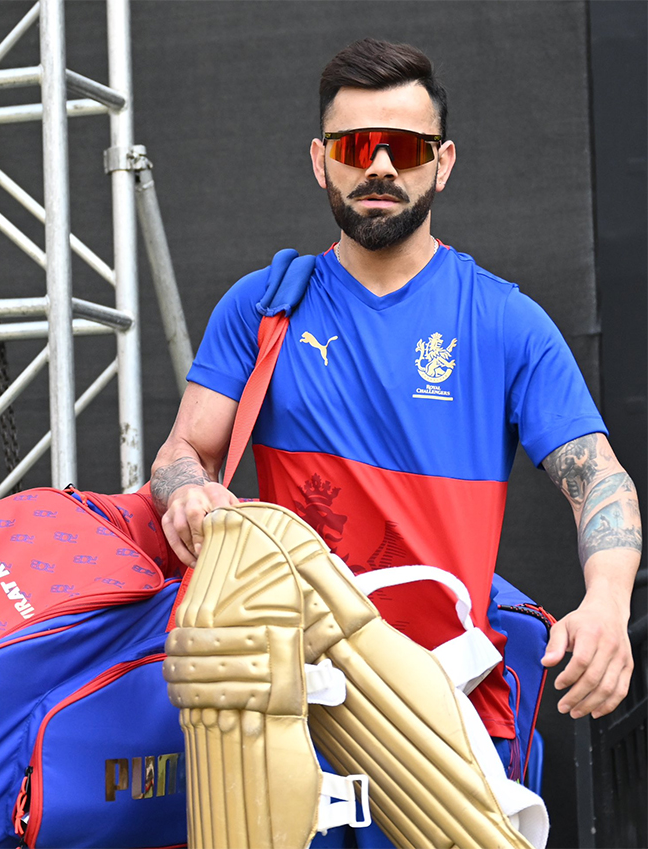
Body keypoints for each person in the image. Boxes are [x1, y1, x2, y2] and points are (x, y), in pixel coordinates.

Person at [151, 36, 640, 777]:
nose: (380, 166)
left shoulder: (504, 321)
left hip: (450, 708)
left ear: (442, 164)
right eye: (357, 145)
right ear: (321, 160)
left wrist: (607, 601)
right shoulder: (262, 306)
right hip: (291, 711)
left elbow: (598, 478)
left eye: (406, 149)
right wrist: (186, 489)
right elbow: (186, 451)